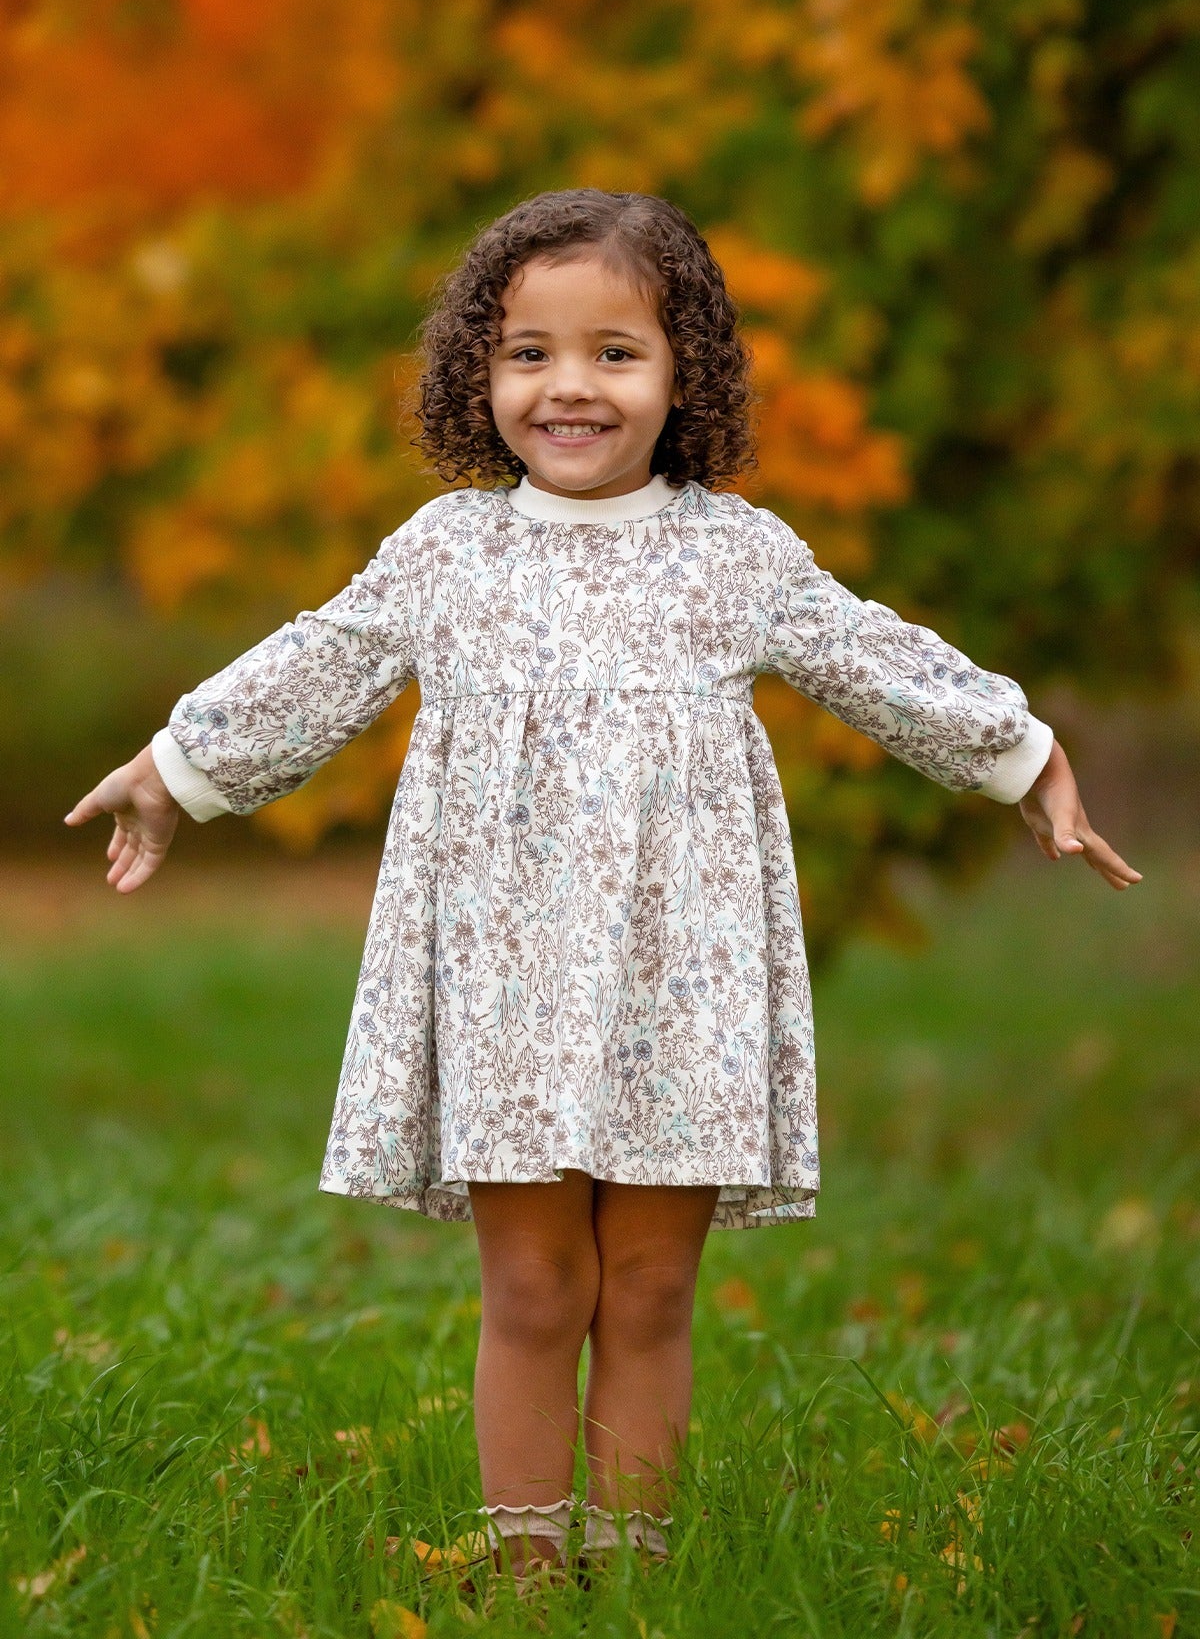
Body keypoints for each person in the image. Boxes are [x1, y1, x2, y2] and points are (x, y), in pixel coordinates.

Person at [65, 188, 1141, 1593]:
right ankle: (525, 1581)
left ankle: (635, 1585)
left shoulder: (732, 553)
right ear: (479, 371)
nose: (570, 385)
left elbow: (874, 656)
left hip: (675, 973)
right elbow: (319, 660)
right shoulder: (451, 551)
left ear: (682, 369)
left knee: (646, 1287)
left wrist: (1026, 753)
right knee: (531, 1286)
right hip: (509, 982)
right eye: (529, 353)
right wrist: (176, 764)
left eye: (614, 352)